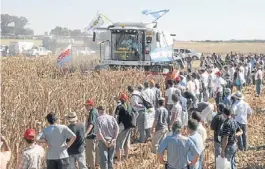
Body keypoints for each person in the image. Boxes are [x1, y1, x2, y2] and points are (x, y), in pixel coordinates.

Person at [84, 99, 99, 169]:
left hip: (91, 136)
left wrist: (86, 134)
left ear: (91, 105)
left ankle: (92, 166)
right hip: (95, 135)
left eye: (87, 105)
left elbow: (91, 124)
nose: (86, 107)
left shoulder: (92, 113)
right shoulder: (95, 111)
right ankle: (96, 165)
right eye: (85, 105)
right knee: (95, 151)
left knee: (90, 153)